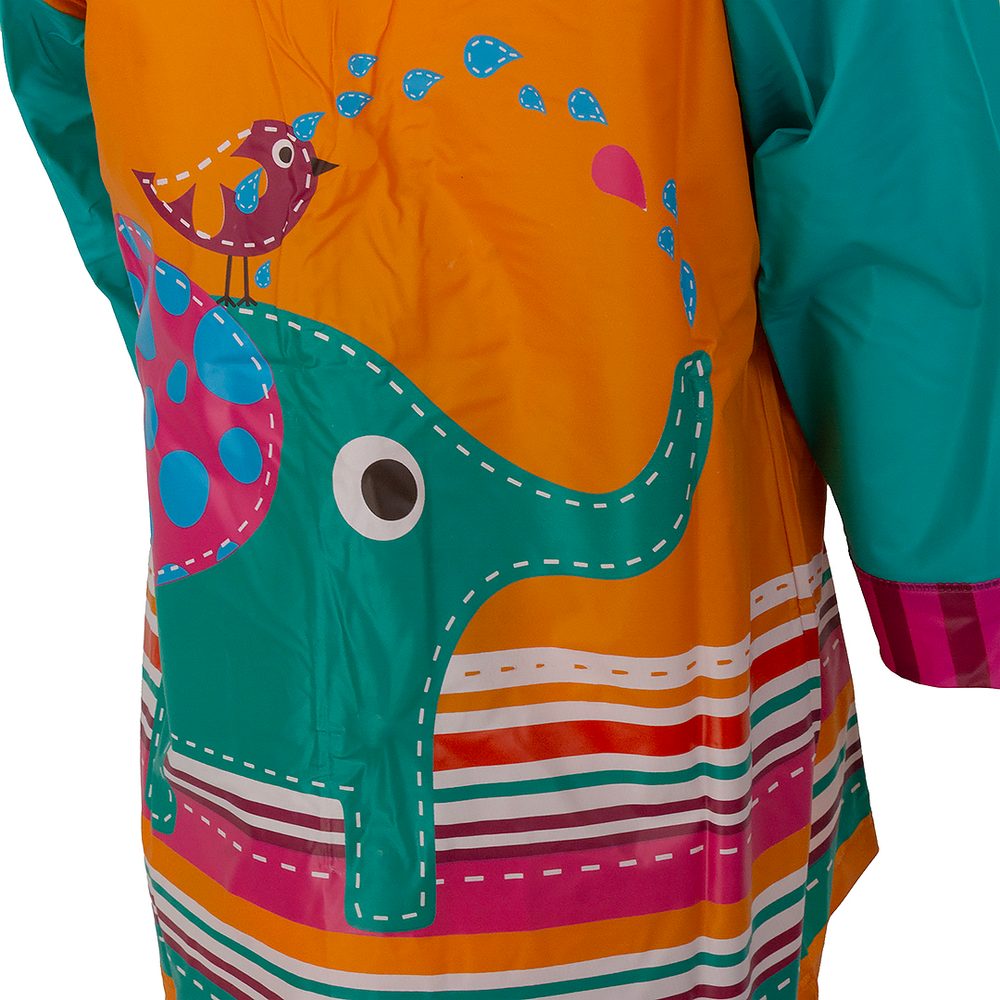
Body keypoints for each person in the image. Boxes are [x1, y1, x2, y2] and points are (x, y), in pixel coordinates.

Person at [2, 2, 997, 997]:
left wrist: (198, 369)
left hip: (274, 672)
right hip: (649, 739)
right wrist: (941, 570)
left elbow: (78, 99)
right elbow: (895, 148)